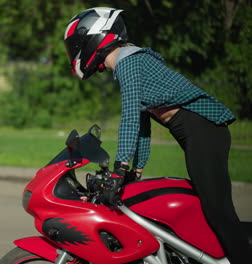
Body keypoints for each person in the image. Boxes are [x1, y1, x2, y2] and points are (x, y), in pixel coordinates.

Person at [64, 7, 249, 263]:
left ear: (93, 37)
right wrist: (136, 168)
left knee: (218, 210)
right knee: (205, 203)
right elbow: (142, 122)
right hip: (197, 131)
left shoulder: (127, 60)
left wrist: (120, 167)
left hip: (204, 128)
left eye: (75, 45)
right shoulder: (127, 61)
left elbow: (129, 116)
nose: (74, 52)